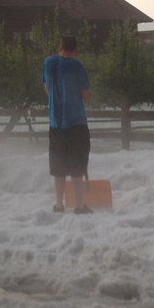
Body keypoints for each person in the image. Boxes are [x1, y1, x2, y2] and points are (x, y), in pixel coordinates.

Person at [43, 36, 93, 214]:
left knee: (58, 166)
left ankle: (59, 205)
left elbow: (46, 89)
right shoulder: (76, 65)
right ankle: (79, 206)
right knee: (78, 165)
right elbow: (86, 94)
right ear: (75, 49)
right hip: (76, 123)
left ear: (60, 46)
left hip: (55, 124)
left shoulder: (48, 63)